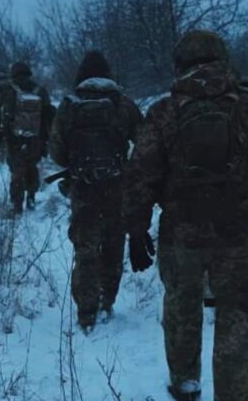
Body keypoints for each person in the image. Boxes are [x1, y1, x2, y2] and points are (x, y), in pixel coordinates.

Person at [121, 30, 248, 400]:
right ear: (222, 59)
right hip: (240, 234)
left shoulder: (164, 112)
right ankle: (233, 394)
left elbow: (140, 176)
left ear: (180, 64)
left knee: (182, 308)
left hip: (181, 235)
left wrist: (136, 228)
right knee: (236, 313)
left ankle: (185, 384)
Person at [49, 51, 143, 333]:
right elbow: (144, 142)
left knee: (86, 247)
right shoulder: (123, 104)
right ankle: (107, 301)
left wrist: (77, 164)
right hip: (117, 186)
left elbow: (56, 151)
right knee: (113, 244)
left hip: (83, 188)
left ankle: (87, 311)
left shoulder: (69, 106)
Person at [0, 61, 52, 214]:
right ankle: (31, 197)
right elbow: (48, 115)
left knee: (17, 171)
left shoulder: (8, 90)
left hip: (14, 138)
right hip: (36, 138)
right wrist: (46, 139)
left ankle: (17, 205)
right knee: (32, 166)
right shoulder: (40, 90)